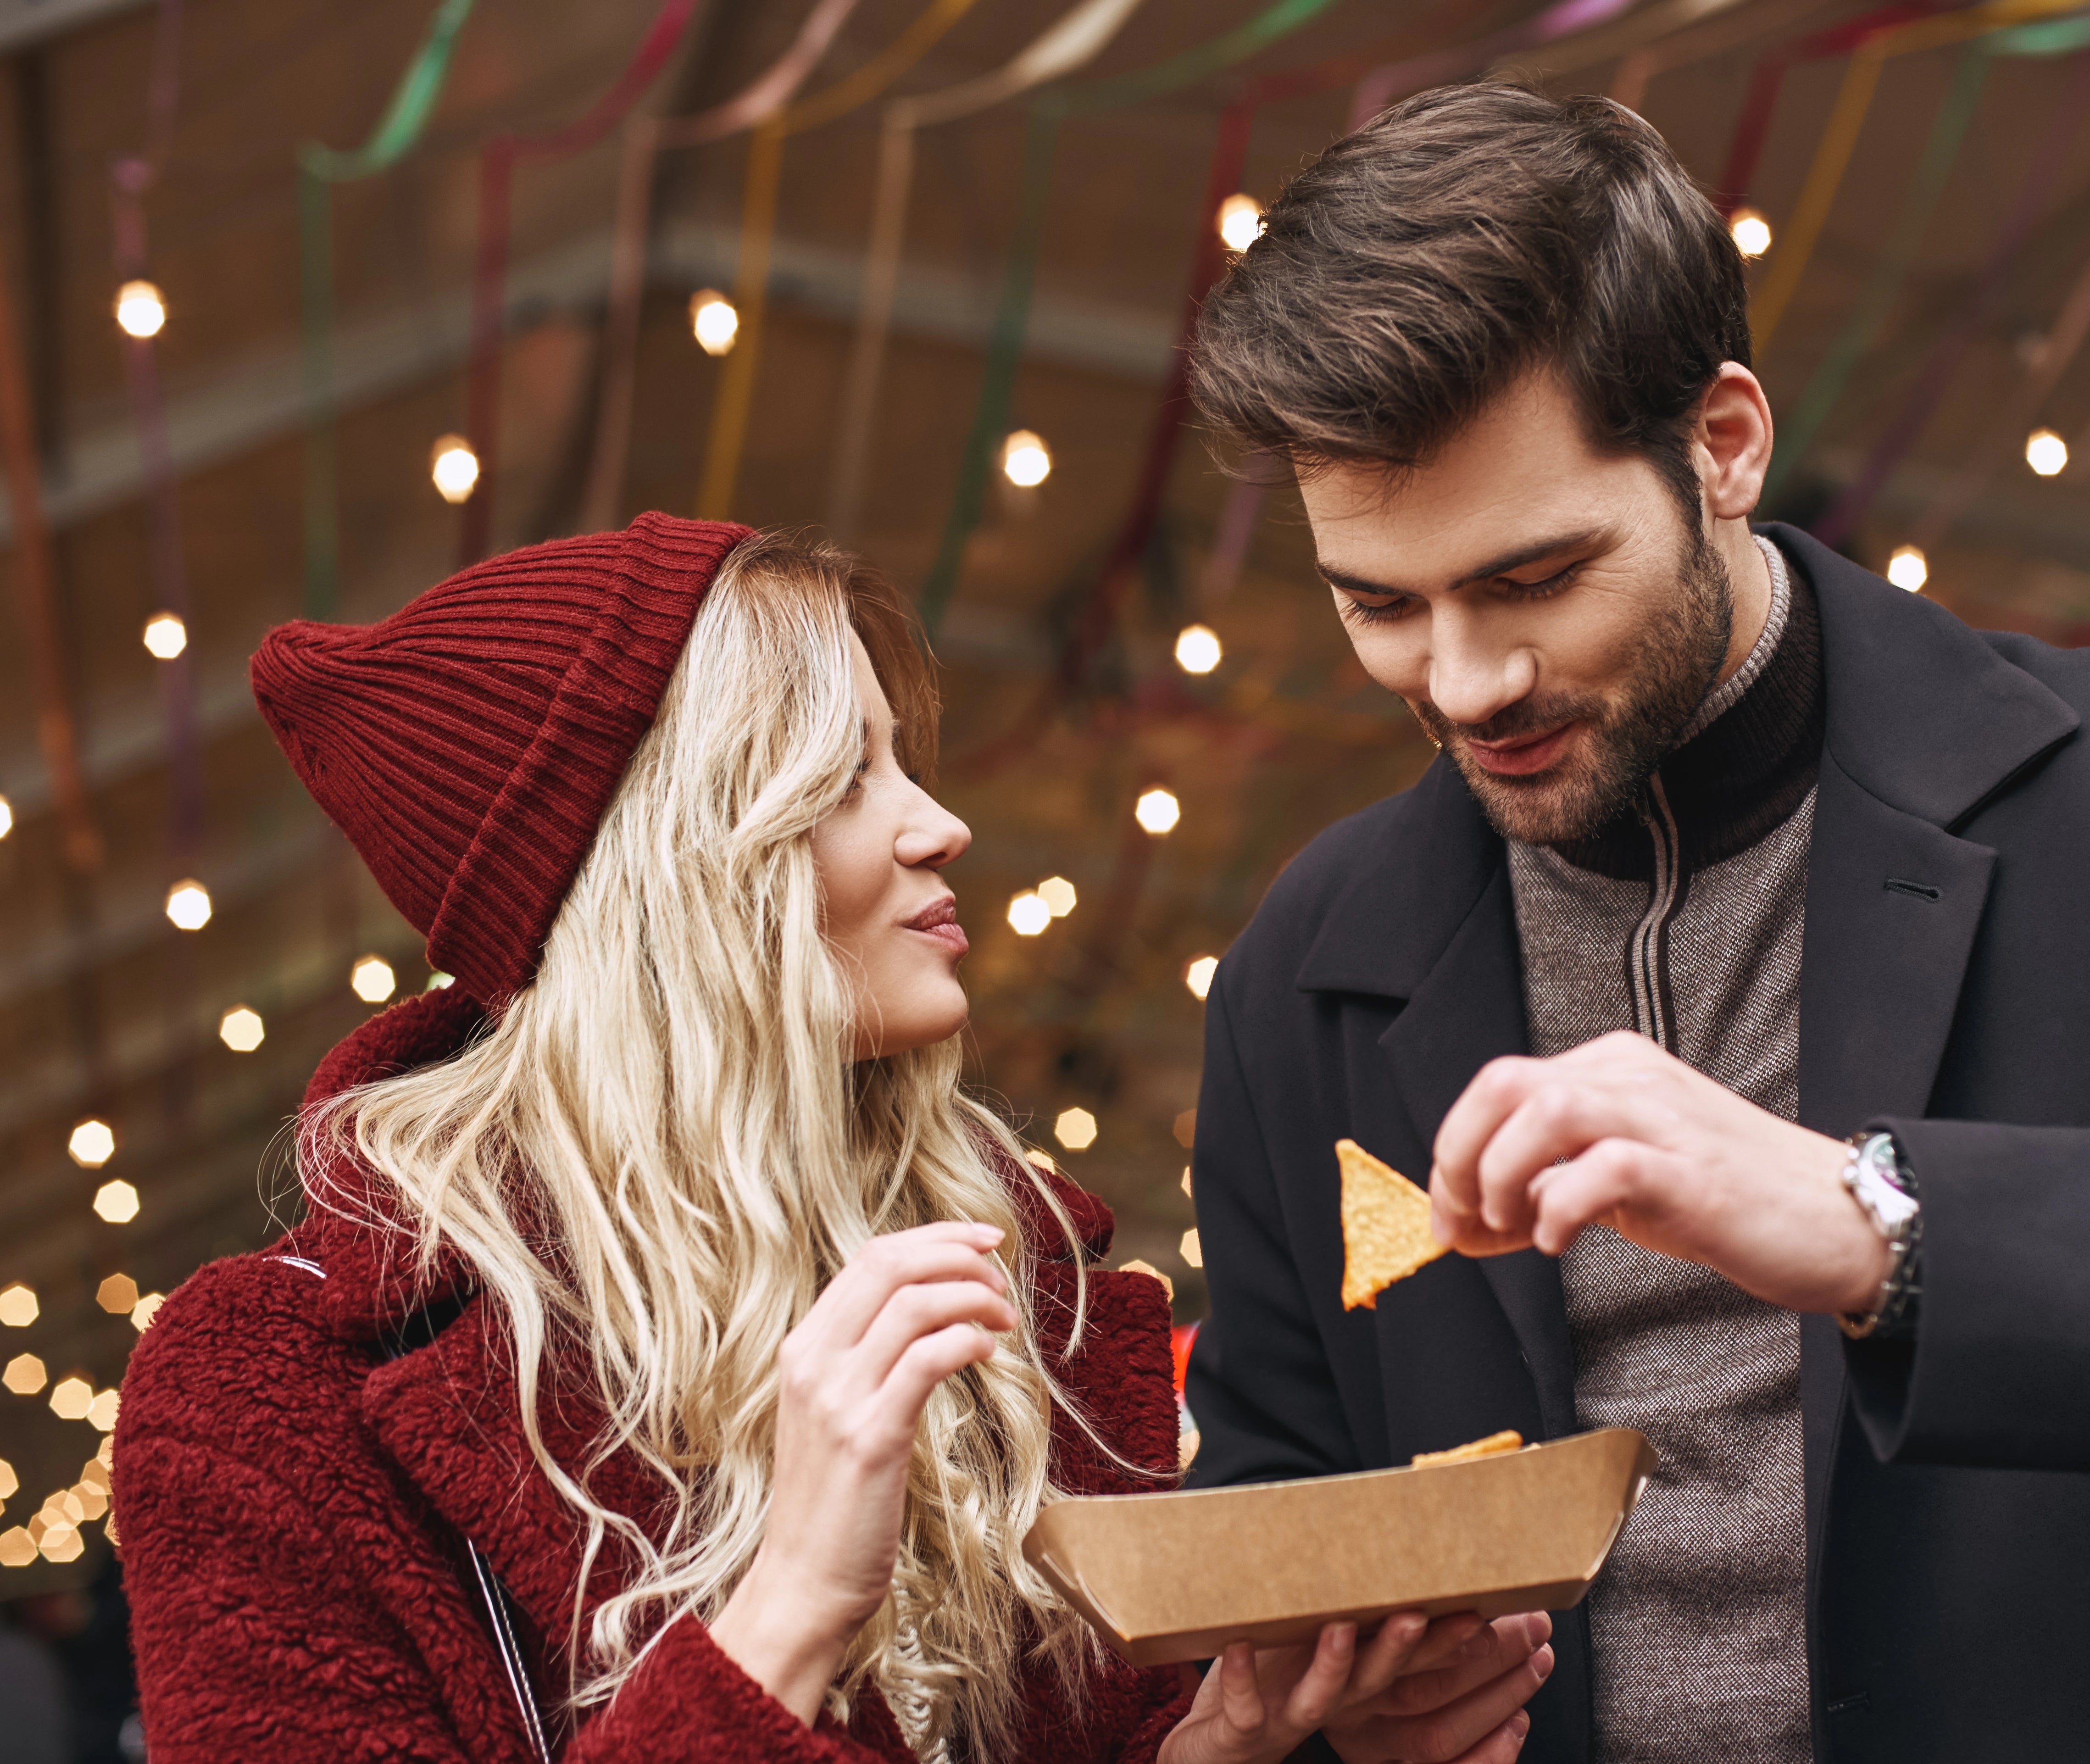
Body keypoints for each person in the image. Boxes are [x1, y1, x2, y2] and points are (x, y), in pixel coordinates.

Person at [1177, 82, 2090, 1764]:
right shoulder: (1307, 968)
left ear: (1723, 445)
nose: (1463, 683)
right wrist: (1337, 1716)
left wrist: (1888, 1226)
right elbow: (1277, 1530)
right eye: (1380, 606)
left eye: (1533, 578)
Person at [114, 518, 1553, 1764]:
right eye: (847, 775)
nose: (940, 825)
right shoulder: (269, 1390)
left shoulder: (1016, 1285)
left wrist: (1230, 1744)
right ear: (673, 872)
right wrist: (788, 1608)